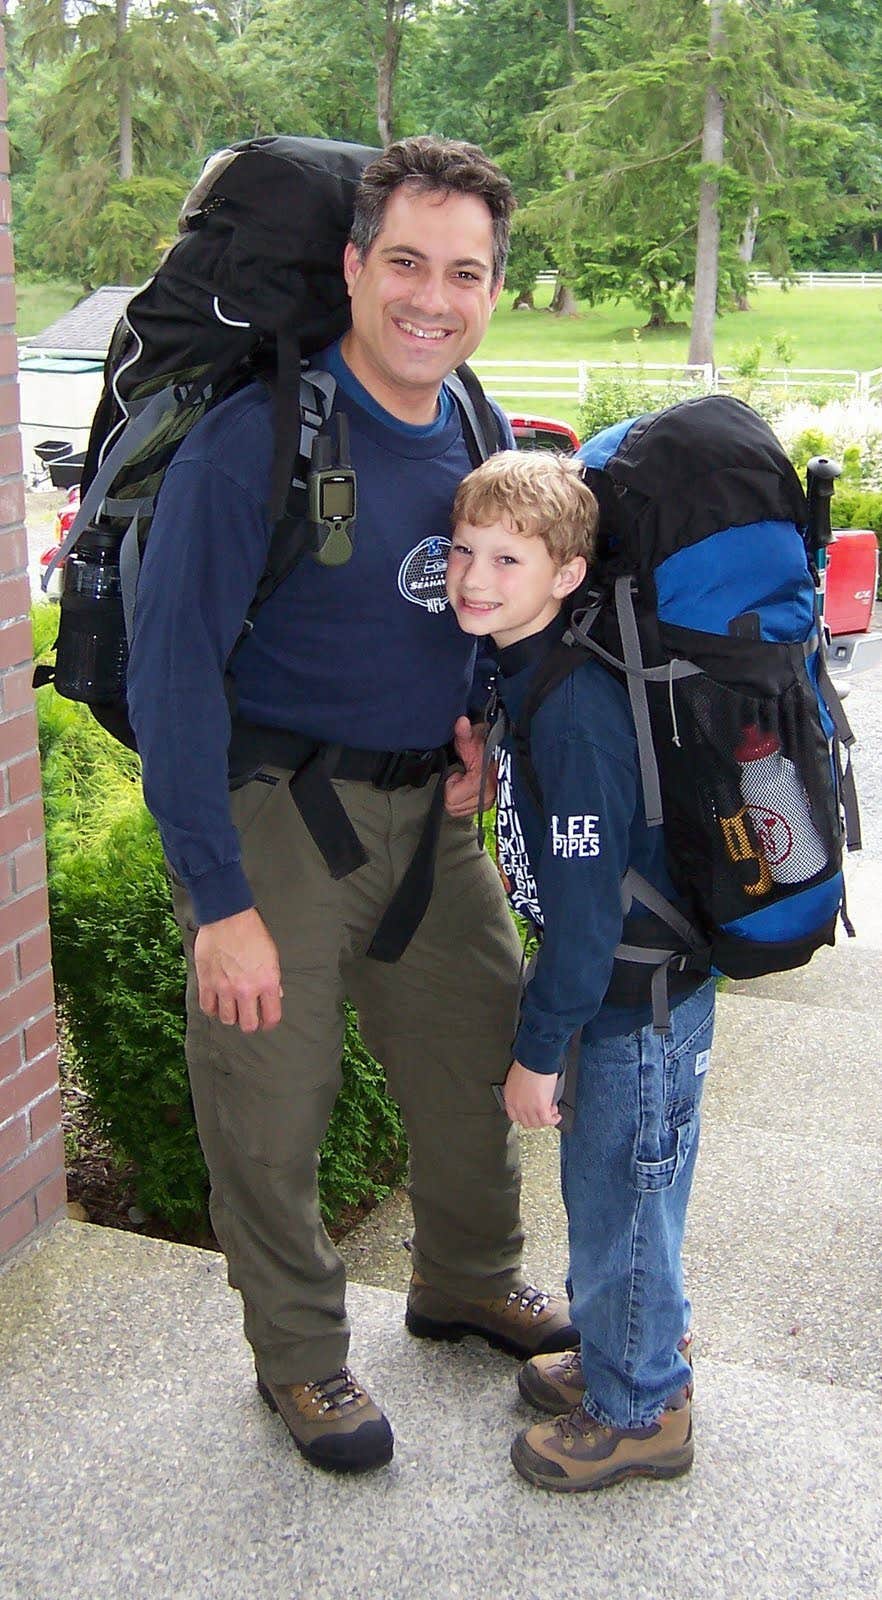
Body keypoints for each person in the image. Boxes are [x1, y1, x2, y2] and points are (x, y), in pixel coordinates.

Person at [126, 137, 577, 1476]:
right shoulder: (252, 440)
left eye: (466, 271)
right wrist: (218, 901)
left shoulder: (476, 422)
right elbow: (170, 685)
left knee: (475, 1053)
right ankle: (302, 1359)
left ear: (492, 287)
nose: (432, 297)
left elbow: (479, 604)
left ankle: (466, 1276)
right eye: (405, 263)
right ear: (351, 267)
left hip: (429, 818)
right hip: (275, 819)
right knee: (268, 1105)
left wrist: (477, 731)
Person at [446, 449, 716, 1492]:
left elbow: (587, 913)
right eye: (467, 550)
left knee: (617, 1200)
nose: (475, 576)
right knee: (636, 1193)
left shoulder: (574, 706)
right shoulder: (532, 665)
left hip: (630, 1002)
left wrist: (537, 1052)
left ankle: (639, 1408)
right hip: (638, 991)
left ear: (566, 574)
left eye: (508, 559)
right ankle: (643, 1348)